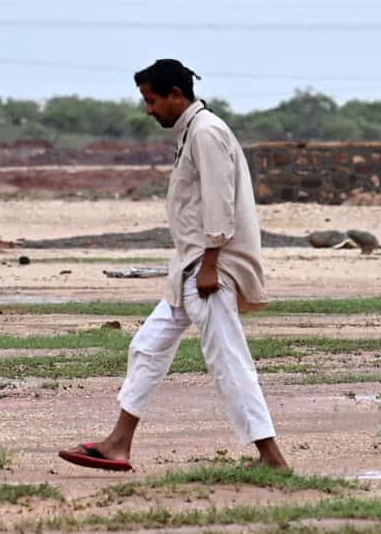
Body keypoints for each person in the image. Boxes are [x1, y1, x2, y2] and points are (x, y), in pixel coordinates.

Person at [59, 58, 287, 473]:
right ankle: (118, 443)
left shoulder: (207, 132)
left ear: (175, 95)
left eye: (152, 100)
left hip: (208, 270)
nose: (148, 110)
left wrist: (211, 264)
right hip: (189, 267)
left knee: (229, 362)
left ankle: (272, 458)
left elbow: (221, 202)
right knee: (147, 347)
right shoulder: (192, 132)